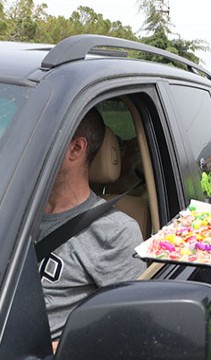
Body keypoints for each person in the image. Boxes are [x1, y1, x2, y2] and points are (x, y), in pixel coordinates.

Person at [38, 107, 145, 340]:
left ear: (76, 149)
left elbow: (129, 328)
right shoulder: (13, 207)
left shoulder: (116, 232)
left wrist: (62, 348)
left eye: (37, 137)